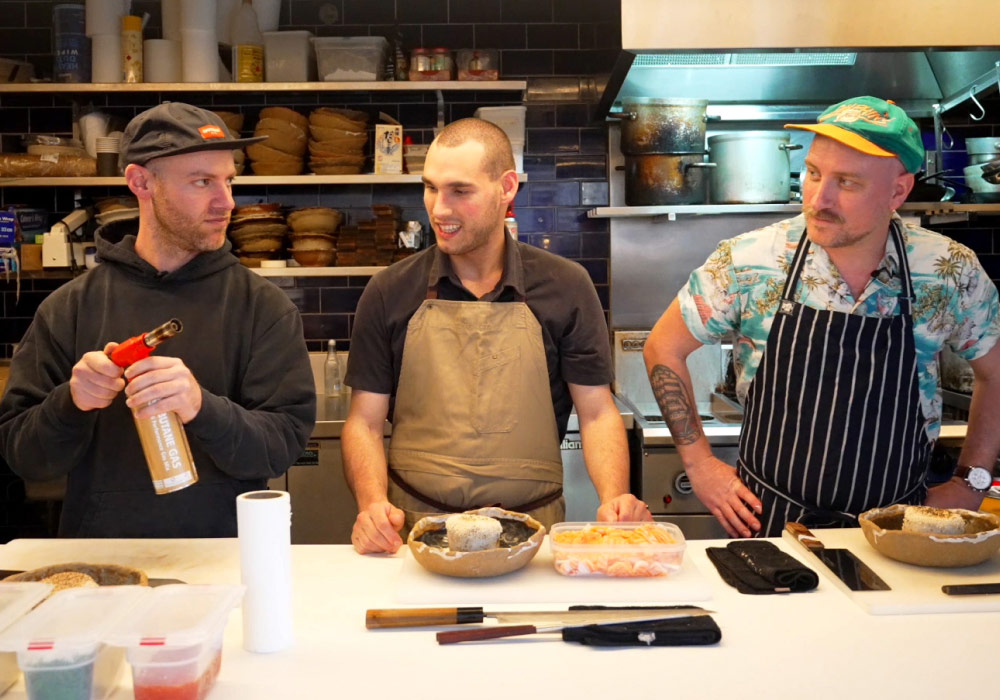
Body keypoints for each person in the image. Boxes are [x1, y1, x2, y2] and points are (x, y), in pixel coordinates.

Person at [643, 96, 1000, 538]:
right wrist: (699, 464)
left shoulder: (949, 271)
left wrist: (971, 481)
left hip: (900, 529)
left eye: (847, 183)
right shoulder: (749, 262)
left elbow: (995, 374)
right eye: (812, 173)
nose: (818, 198)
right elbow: (664, 347)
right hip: (770, 523)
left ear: (898, 191)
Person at [0, 102, 316, 537]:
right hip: (105, 568)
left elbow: (280, 448)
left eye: (228, 181)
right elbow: (24, 457)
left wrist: (201, 407)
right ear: (141, 182)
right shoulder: (68, 308)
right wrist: (70, 402)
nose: (226, 202)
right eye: (202, 182)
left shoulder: (263, 308)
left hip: (224, 563)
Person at [343, 117, 650, 554]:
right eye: (431, 188)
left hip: (532, 535)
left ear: (507, 187)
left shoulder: (566, 285)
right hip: (413, 534)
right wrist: (372, 504)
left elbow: (597, 412)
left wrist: (614, 498)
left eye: (460, 191)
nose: (439, 209)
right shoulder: (390, 290)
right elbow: (365, 422)